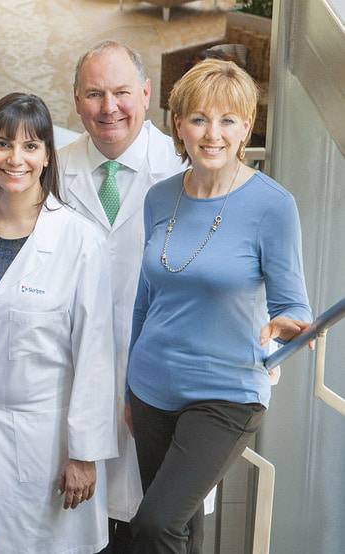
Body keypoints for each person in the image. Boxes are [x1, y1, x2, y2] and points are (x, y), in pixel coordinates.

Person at [126, 59, 312, 554]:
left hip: (226, 392)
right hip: (150, 388)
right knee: (182, 531)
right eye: (199, 119)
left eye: (228, 120)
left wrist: (285, 328)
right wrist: (129, 384)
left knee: (155, 526)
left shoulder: (273, 205)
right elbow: (146, 299)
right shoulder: (159, 198)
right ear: (179, 126)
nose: (213, 134)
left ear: (247, 128)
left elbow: (294, 307)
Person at [0, 92, 117, 553]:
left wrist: (84, 453)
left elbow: (94, 352)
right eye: (2, 143)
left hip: (46, 444)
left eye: (31, 146)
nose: (16, 158)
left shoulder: (78, 238)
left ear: (48, 156)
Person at [58, 40, 187, 552]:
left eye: (121, 92)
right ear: (75, 100)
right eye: (94, 94)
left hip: (163, 377)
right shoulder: (53, 168)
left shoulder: (182, 167)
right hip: (73, 378)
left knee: (159, 524)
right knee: (81, 529)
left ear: (147, 93)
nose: (108, 107)